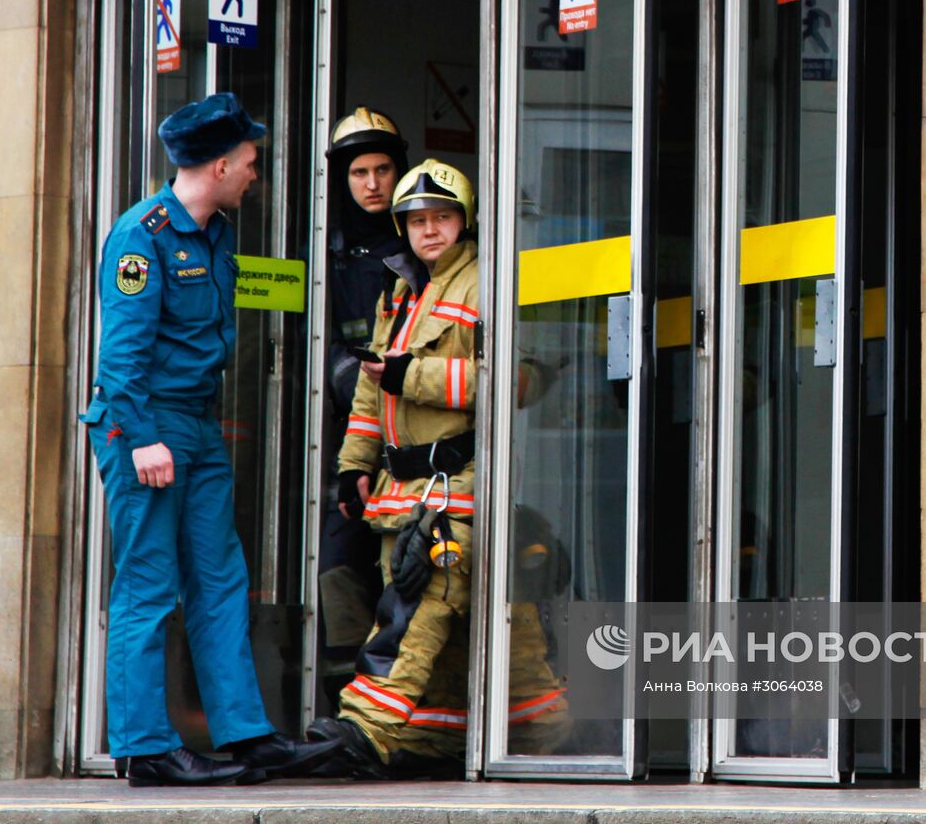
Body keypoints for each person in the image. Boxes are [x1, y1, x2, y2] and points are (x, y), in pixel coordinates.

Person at [81, 92, 342, 787]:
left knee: (221, 579)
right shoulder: (143, 235)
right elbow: (122, 354)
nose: (257, 173)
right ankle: (144, 747)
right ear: (220, 165)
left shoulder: (218, 231)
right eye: (251, 162)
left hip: (195, 423)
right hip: (146, 425)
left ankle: (246, 734)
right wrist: (140, 439)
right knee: (148, 584)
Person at [307, 161, 569, 779]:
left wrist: (410, 375)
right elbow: (372, 394)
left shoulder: (488, 284)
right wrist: (353, 468)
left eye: (442, 217)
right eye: (418, 220)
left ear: (464, 221)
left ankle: (367, 729)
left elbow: (519, 380)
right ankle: (524, 730)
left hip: (459, 484)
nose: (430, 230)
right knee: (496, 624)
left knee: (417, 604)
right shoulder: (398, 291)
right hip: (402, 489)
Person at [318, 107, 408, 701]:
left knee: (404, 575)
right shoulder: (326, 253)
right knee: (336, 566)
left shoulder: (422, 246)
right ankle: (343, 705)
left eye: (382, 170)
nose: (372, 184)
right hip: (342, 441)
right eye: (359, 173)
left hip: (410, 441)